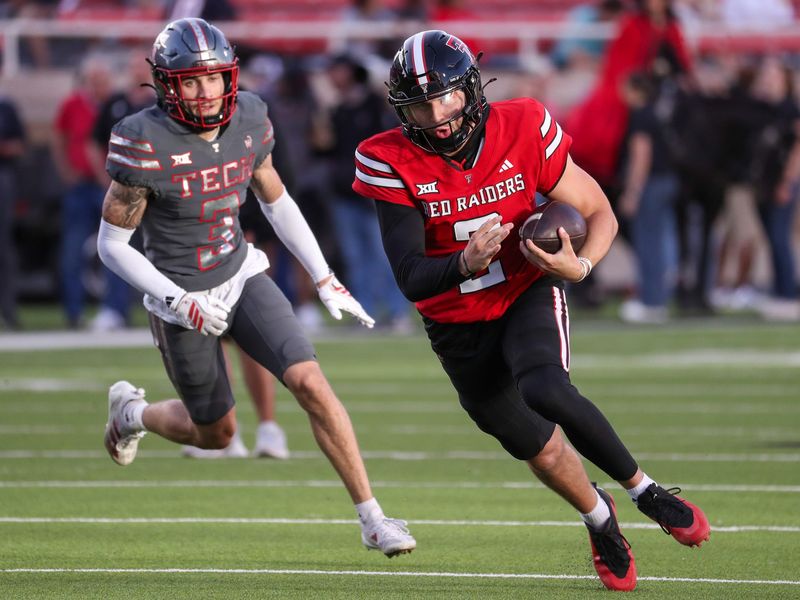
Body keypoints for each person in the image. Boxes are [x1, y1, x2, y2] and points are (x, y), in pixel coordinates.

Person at [352, 30, 709, 591]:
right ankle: (600, 518)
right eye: (421, 104)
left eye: (446, 97)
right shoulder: (388, 157)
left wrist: (581, 267)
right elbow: (411, 278)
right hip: (456, 323)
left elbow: (599, 211)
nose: (438, 115)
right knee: (538, 450)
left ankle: (647, 491)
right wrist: (464, 263)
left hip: (525, 290)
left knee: (546, 387)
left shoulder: (521, 125)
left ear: (471, 89)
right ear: (403, 110)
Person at [97, 18, 416, 558]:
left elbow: (276, 199)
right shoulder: (141, 138)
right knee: (215, 435)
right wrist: (178, 300)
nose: (205, 92)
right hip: (179, 298)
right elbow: (111, 244)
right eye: (190, 81)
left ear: (231, 77)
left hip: (240, 273)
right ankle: (132, 414)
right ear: (167, 84)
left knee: (311, 383)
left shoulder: (249, 116)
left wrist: (323, 275)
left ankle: (373, 518)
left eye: (213, 78)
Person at [52, 54, 130, 329]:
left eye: (102, 80)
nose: (98, 86)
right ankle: (74, 311)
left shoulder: (118, 105)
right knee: (73, 250)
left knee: (116, 249)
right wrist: (66, 171)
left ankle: (116, 310)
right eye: (93, 80)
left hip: (111, 186)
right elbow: (61, 138)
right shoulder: (73, 105)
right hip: (83, 185)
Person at [0, 93, 25, 330]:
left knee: (4, 247)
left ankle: (8, 311)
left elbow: (18, 145)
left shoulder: (6, 107)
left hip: (3, 178)